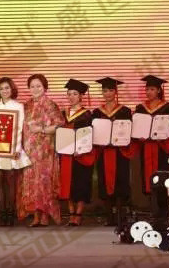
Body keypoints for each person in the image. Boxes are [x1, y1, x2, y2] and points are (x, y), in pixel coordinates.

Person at [0, 77, 31, 227]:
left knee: (10, 181)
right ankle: (2, 212)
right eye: (2, 88)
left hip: (12, 148)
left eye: (7, 88)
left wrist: (16, 149)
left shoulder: (19, 106)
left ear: (12, 89)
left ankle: (11, 213)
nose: (4, 91)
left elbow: (19, 129)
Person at [18, 73, 64, 227]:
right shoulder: (26, 106)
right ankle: (36, 216)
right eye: (32, 86)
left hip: (45, 151)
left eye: (38, 86)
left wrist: (41, 129)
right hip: (29, 151)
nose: (35, 89)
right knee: (31, 183)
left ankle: (45, 216)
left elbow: (59, 125)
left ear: (45, 87)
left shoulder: (50, 105)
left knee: (44, 182)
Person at [91, 77, 136, 228]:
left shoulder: (125, 111)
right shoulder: (97, 112)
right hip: (103, 151)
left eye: (110, 90)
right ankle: (109, 216)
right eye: (105, 91)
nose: (108, 93)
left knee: (120, 181)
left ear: (115, 92)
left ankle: (120, 216)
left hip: (119, 152)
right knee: (104, 182)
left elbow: (129, 131)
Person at [57, 79, 94, 226]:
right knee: (68, 184)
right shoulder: (62, 113)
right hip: (66, 154)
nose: (71, 97)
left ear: (81, 96)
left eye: (75, 94)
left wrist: (81, 149)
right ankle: (71, 213)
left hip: (81, 155)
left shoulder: (87, 115)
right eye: (69, 94)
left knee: (81, 184)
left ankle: (78, 214)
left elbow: (89, 135)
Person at [134, 75, 169, 194]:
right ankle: (150, 199)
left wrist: (164, 140)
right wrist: (139, 137)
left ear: (159, 90)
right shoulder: (140, 108)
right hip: (146, 146)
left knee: (163, 173)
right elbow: (136, 128)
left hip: (161, 147)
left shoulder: (168, 108)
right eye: (147, 89)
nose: (149, 92)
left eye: (152, 89)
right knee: (147, 174)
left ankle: (163, 200)